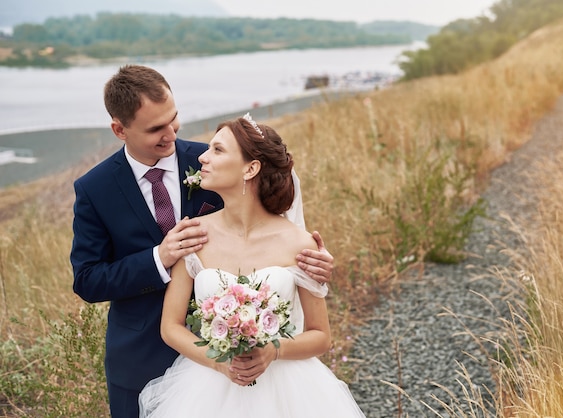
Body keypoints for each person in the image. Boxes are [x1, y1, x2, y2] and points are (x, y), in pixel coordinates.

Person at [69, 65, 335, 418]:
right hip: (141, 354)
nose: (171, 135)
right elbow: (87, 279)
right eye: (155, 129)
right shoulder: (95, 189)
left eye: (174, 120)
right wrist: (159, 257)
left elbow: (267, 223)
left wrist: (317, 262)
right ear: (120, 129)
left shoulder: (210, 163)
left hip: (256, 365)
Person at [138, 114, 364, 417]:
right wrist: (218, 361)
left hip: (289, 392)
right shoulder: (193, 235)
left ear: (251, 168)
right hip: (208, 388)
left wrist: (274, 350)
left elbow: (320, 335)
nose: (203, 157)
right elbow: (170, 326)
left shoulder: (300, 244)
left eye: (218, 150)